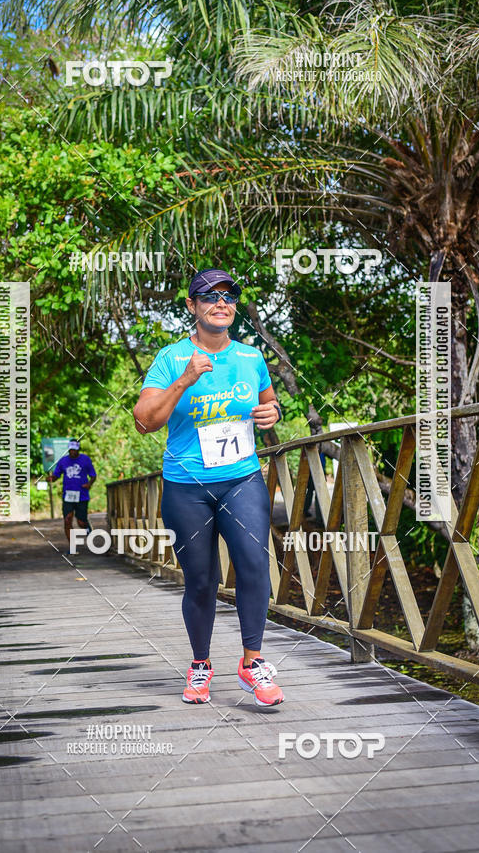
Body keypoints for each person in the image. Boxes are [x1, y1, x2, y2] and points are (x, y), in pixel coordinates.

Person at [133, 268, 285, 706]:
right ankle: (200, 665)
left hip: (241, 477)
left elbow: (267, 400)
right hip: (187, 485)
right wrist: (185, 379)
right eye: (209, 296)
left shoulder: (250, 358)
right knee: (201, 580)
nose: (221, 303)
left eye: (229, 295)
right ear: (191, 306)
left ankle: (252, 663)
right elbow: (144, 422)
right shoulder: (170, 358)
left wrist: (271, 412)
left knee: (255, 564)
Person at [47, 439, 96, 553]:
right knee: (67, 520)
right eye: (71, 450)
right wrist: (51, 478)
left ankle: (87, 527)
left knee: (81, 522)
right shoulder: (63, 461)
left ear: (78, 450)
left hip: (82, 495)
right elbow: (56, 475)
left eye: (75, 450)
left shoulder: (85, 460)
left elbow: (93, 475)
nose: (73, 452)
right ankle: (72, 547)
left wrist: (89, 484)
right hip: (68, 495)